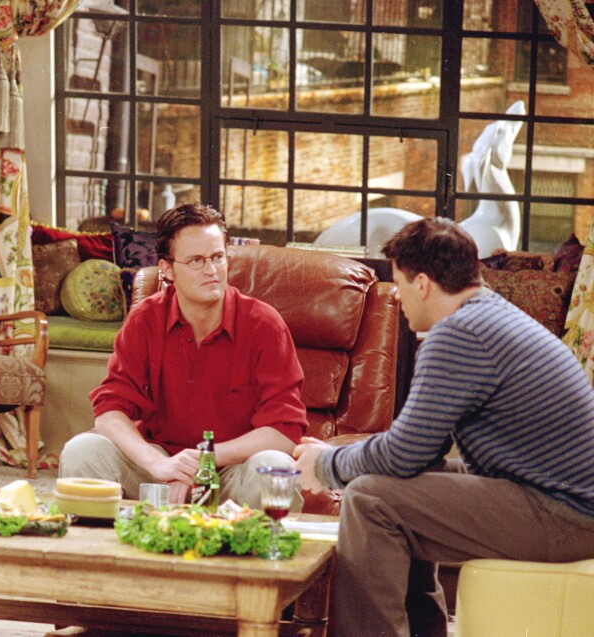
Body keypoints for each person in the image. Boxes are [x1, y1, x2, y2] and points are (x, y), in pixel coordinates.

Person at [294, 217, 594, 637]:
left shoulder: (459, 334)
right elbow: (416, 454)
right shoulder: (487, 316)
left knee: (369, 498)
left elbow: (404, 453)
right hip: (566, 506)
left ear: (422, 284)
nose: (396, 298)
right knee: (396, 483)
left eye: (398, 284)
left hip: (565, 517)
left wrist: (327, 463)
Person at [59, 203, 307, 508]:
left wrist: (202, 459)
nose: (212, 270)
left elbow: (284, 432)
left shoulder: (264, 325)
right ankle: (103, 556)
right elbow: (109, 413)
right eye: (196, 261)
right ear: (167, 269)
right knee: (82, 450)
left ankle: (254, 553)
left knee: (273, 467)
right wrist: (159, 464)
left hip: (229, 471)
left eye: (218, 257)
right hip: (160, 471)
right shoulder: (145, 320)